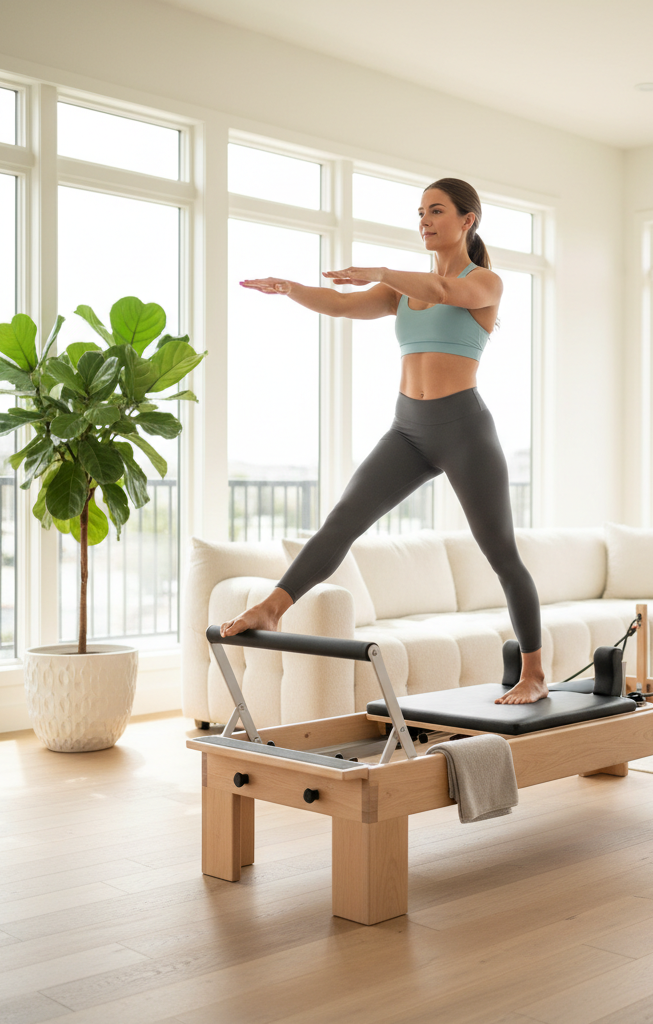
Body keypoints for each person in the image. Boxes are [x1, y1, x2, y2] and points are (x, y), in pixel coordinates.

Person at [221, 178, 547, 704]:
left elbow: (442, 291)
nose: (424, 220)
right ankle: (273, 606)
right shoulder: (401, 290)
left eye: (436, 211)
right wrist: (292, 289)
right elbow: (342, 306)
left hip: (464, 429)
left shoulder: (485, 282)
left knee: (501, 553)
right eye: (420, 212)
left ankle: (533, 671)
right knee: (343, 519)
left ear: (467, 220)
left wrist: (378, 271)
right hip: (408, 429)